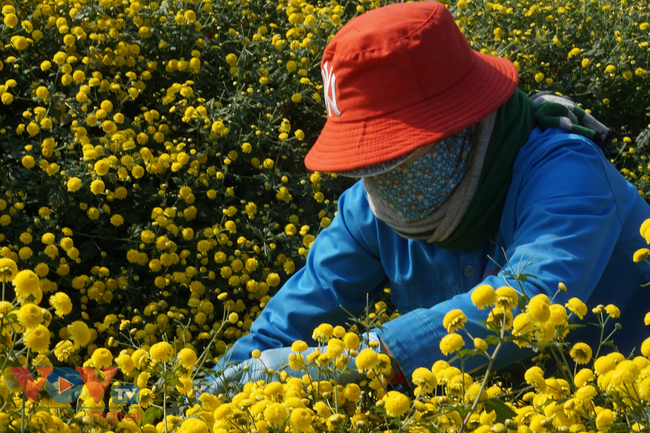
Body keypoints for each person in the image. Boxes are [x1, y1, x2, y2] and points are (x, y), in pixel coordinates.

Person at [212, 1, 650, 390]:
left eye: (395, 154)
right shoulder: (368, 211)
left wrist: (363, 359)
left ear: (464, 125)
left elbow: (533, 300)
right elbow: (285, 328)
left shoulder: (568, 172)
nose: (381, 179)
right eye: (366, 163)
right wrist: (210, 395)